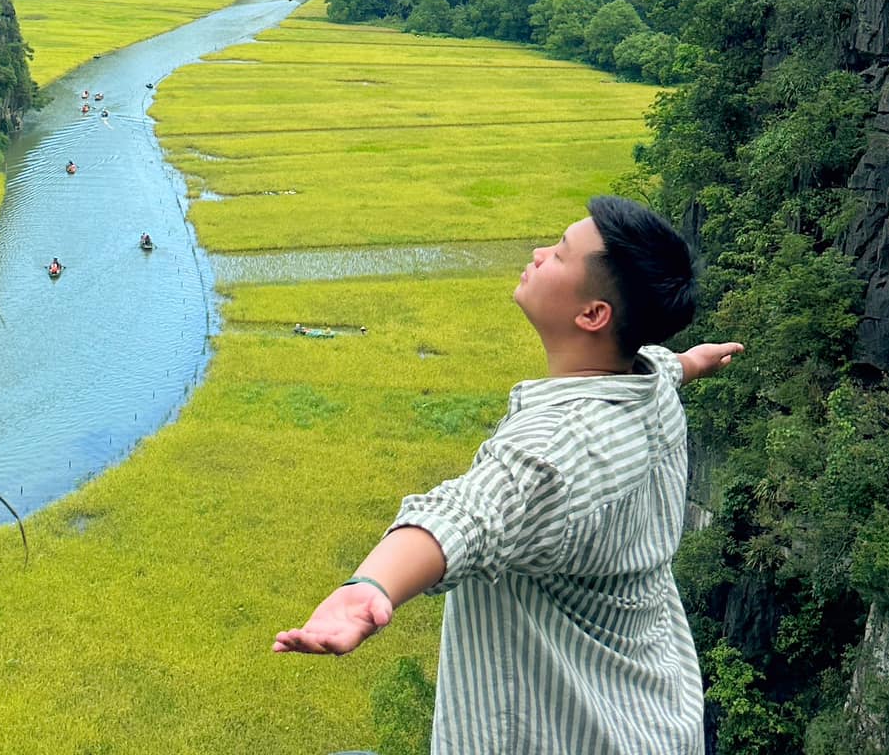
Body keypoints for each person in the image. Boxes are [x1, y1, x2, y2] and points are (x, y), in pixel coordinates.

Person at [273, 195, 744, 755]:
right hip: (654, 713)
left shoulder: (560, 445)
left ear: (593, 315)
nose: (539, 253)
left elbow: (474, 511)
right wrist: (692, 360)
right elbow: (663, 368)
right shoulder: (644, 382)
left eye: (560, 254)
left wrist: (370, 588)